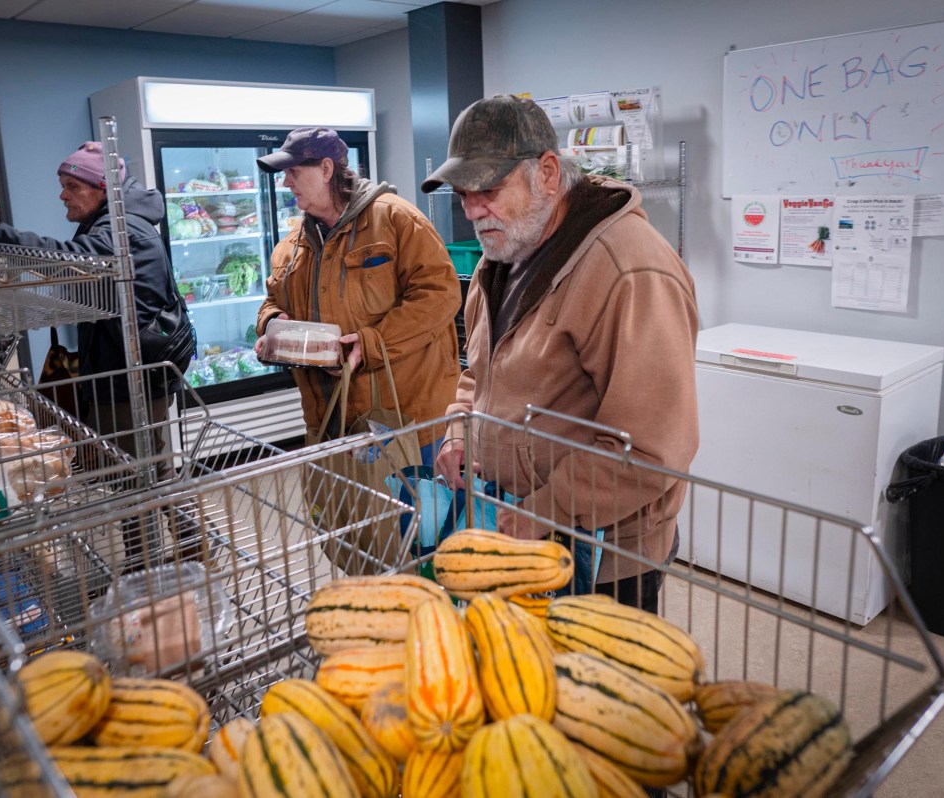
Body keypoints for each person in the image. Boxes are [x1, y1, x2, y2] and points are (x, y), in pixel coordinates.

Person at [425, 95, 699, 614]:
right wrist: (458, 429)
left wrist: (548, 510)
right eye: (464, 195)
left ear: (547, 174)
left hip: (605, 555)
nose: (473, 211)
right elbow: (479, 375)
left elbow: (652, 449)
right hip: (519, 525)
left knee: (594, 688)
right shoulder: (502, 258)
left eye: (488, 190)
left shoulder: (629, 271)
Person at [0, 141, 188, 482]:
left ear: (103, 189)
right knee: (144, 466)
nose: (62, 196)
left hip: (134, 372)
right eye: (62, 187)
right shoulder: (111, 221)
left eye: (72, 187)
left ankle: (175, 534)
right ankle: (185, 533)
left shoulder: (124, 231)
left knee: (135, 474)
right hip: (127, 364)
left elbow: (64, 258)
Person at [253, 127, 462, 465]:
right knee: (348, 516)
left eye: (293, 172)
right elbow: (273, 301)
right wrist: (272, 324)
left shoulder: (397, 220)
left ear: (325, 169)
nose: (285, 183)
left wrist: (372, 342)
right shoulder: (290, 247)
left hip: (406, 421)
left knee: (415, 515)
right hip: (332, 424)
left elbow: (440, 295)